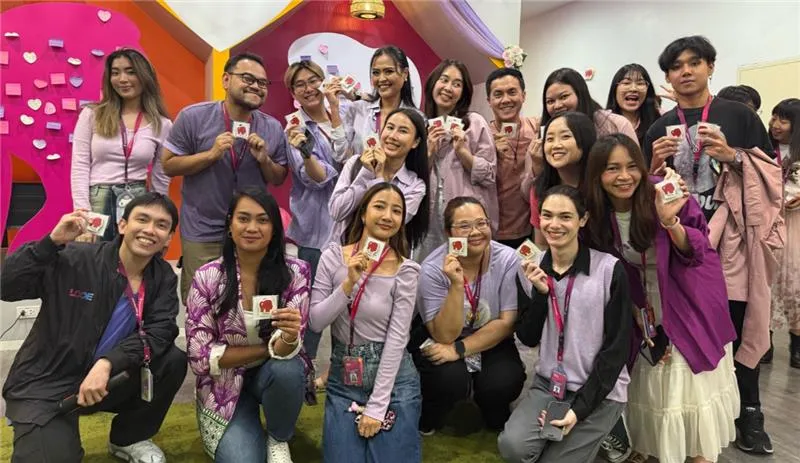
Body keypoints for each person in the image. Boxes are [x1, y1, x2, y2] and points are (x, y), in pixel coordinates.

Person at [644, 35, 783, 456]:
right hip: (682, 239)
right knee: (690, 328)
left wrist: (733, 156)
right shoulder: (657, 126)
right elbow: (642, 186)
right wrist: (652, 164)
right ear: (667, 76)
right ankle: (698, 415)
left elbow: (772, 176)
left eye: (694, 63)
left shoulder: (737, 116)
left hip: (732, 239)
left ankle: (750, 412)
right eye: (676, 67)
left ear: (710, 67)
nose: (685, 72)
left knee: (738, 324)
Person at [585, 134, 739, 463]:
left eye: (631, 167)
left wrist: (670, 220)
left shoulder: (663, 191)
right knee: (648, 372)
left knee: (686, 376)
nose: (624, 176)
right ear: (598, 175)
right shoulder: (597, 213)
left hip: (685, 292)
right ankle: (651, 442)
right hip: (641, 299)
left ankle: (698, 450)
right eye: (612, 168)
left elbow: (698, 249)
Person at [1, 193, 186, 463]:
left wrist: (107, 363)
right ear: (122, 225)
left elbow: (161, 331)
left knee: (172, 360)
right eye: (142, 219)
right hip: (47, 382)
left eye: (161, 224)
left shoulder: (162, 276)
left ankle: (127, 438)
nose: (149, 230)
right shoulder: (76, 258)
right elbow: (7, 287)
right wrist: (50, 242)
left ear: (169, 238)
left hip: (108, 380)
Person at [498, 185, 631, 463]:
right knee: (513, 447)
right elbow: (528, 337)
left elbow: (616, 350)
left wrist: (579, 410)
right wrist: (540, 294)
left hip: (598, 389)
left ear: (583, 219)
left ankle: (608, 423)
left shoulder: (609, 270)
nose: (554, 225)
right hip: (549, 385)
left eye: (565, 217)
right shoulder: (529, 268)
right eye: (547, 215)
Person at [186, 188, 309, 462]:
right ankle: (239, 422)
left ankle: (278, 437)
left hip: (273, 374)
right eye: (243, 218)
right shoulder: (208, 277)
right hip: (224, 384)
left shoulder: (296, 272)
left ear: (275, 229)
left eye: (263, 220)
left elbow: (290, 346)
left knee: (288, 370)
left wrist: (289, 337)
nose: (252, 227)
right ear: (230, 225)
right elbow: (199, 358)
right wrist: (269, 349)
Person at [161, 52, 290, 302]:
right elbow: (168, 165)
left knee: (248, 301)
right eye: (247, 78)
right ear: (226, 79)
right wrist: (210, 155)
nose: (256, 86)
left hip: (250, 231)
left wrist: (264, 159)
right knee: (201, 302)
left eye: (262, 83)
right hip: (203, 230)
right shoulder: (194, 117)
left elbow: (278, 177)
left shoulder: (272, 128)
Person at [310, 183, 422, 462]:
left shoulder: (406, 270)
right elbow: (315, 322)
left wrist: (377, 406)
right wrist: (348, 283)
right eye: (380, 206)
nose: (387, 216)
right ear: (362, 213)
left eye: (397, 211)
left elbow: (398, 340)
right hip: (344, 376)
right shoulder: (333, 257)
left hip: (394, 380)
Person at [411, 196, 525, 435]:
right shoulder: (432, 269)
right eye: (464, 226)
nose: (476, 232)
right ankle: (432, 409)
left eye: (482, 223)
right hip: (444, 336)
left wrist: (461, 349)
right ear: (448, 232)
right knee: (449, 381)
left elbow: (507, 323)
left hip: (489, 338)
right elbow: (443, 335)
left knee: (504, 381)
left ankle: (491, 404)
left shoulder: (507, 259)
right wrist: (456, 285)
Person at [282, 59, 348, 367]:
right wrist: (312, 156)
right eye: (300, 84)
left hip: (350, 227)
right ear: (293, 91)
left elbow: (354, 153)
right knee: (310, 307)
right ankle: (303, 372)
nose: (308, 88)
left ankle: (341, 372)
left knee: (348, 305)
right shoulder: (295, 128)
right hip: (315, 230)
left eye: (313, 80)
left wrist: (336, 111)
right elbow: (316, 177)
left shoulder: (344, 114)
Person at [71, 48, 172, 242]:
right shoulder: (92, 114)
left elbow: (161, 175)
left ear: (145, 76)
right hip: (97, 199)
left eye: (130, 71)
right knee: (95, 262)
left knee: (133, 261)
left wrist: (159, 214)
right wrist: (82, 213)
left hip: (138, 198)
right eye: (115, 73)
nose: (122, 79)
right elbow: (80, 164)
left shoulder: (162, 124)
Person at [418, 59, 497, 260]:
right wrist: (428, 153)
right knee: (433, 268)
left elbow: (490, 175)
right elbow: (412, 179)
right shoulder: (420, 125)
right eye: (444, 80)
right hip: (430, 218)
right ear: (433, 84)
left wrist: (463, 152)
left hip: (464, 219)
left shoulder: (474, 123)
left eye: (457, 84)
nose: (448, 88)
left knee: (464, 269)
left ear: (463, 92)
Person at [328, 108, 429, 250]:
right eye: (390, 127)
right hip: (340, 254)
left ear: (416, 142)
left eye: (403, 131)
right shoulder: (355, 163)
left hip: (383, 261)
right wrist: (366, 172)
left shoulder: (415, 186)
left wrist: (379, 177)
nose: (393, 136)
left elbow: (386, 225)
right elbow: (337, 212)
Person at [485, 67, 541, 249]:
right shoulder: (481, 135)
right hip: (490, 232)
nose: (506, 100)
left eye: (512, 92)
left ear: (523, 96)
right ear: (489, 101)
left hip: (531, 230)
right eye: (498, 94)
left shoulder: (537, 127)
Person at [337, 45, 420, 163]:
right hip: (359, 179)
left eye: (389, 71)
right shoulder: (357, 109)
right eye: (376, 73)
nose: (381, 79)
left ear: (405, 73)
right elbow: (342, 156)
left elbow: (417, 163)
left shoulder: (417, 118)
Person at [530, 111, 597, 247]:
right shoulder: (540, 188)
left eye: (565, 137)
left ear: (585, 139)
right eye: (549, 139)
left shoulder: (601, 183)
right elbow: (541, 246)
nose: (556, 145)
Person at [769, 98, 800, 368]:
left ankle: (796, 344)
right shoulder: (765, 150)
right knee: (766, 279)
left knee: (795, 282)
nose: (776, 125)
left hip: (797, 223)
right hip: (770, 221)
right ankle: (763, 341)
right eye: (774, 117)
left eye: (783, 119)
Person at [541, 68, 638, 145]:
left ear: (580, 95)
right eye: (550, 101)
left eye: (564, 97)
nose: (557, 105)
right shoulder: (544, 135)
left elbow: (635, 166)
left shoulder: (616, 125)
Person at [606, 63, 660, 147]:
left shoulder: (660, 116)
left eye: (640, 83)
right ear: (614, 89)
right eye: (626, 83)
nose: (633, 88)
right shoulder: (604, 122)